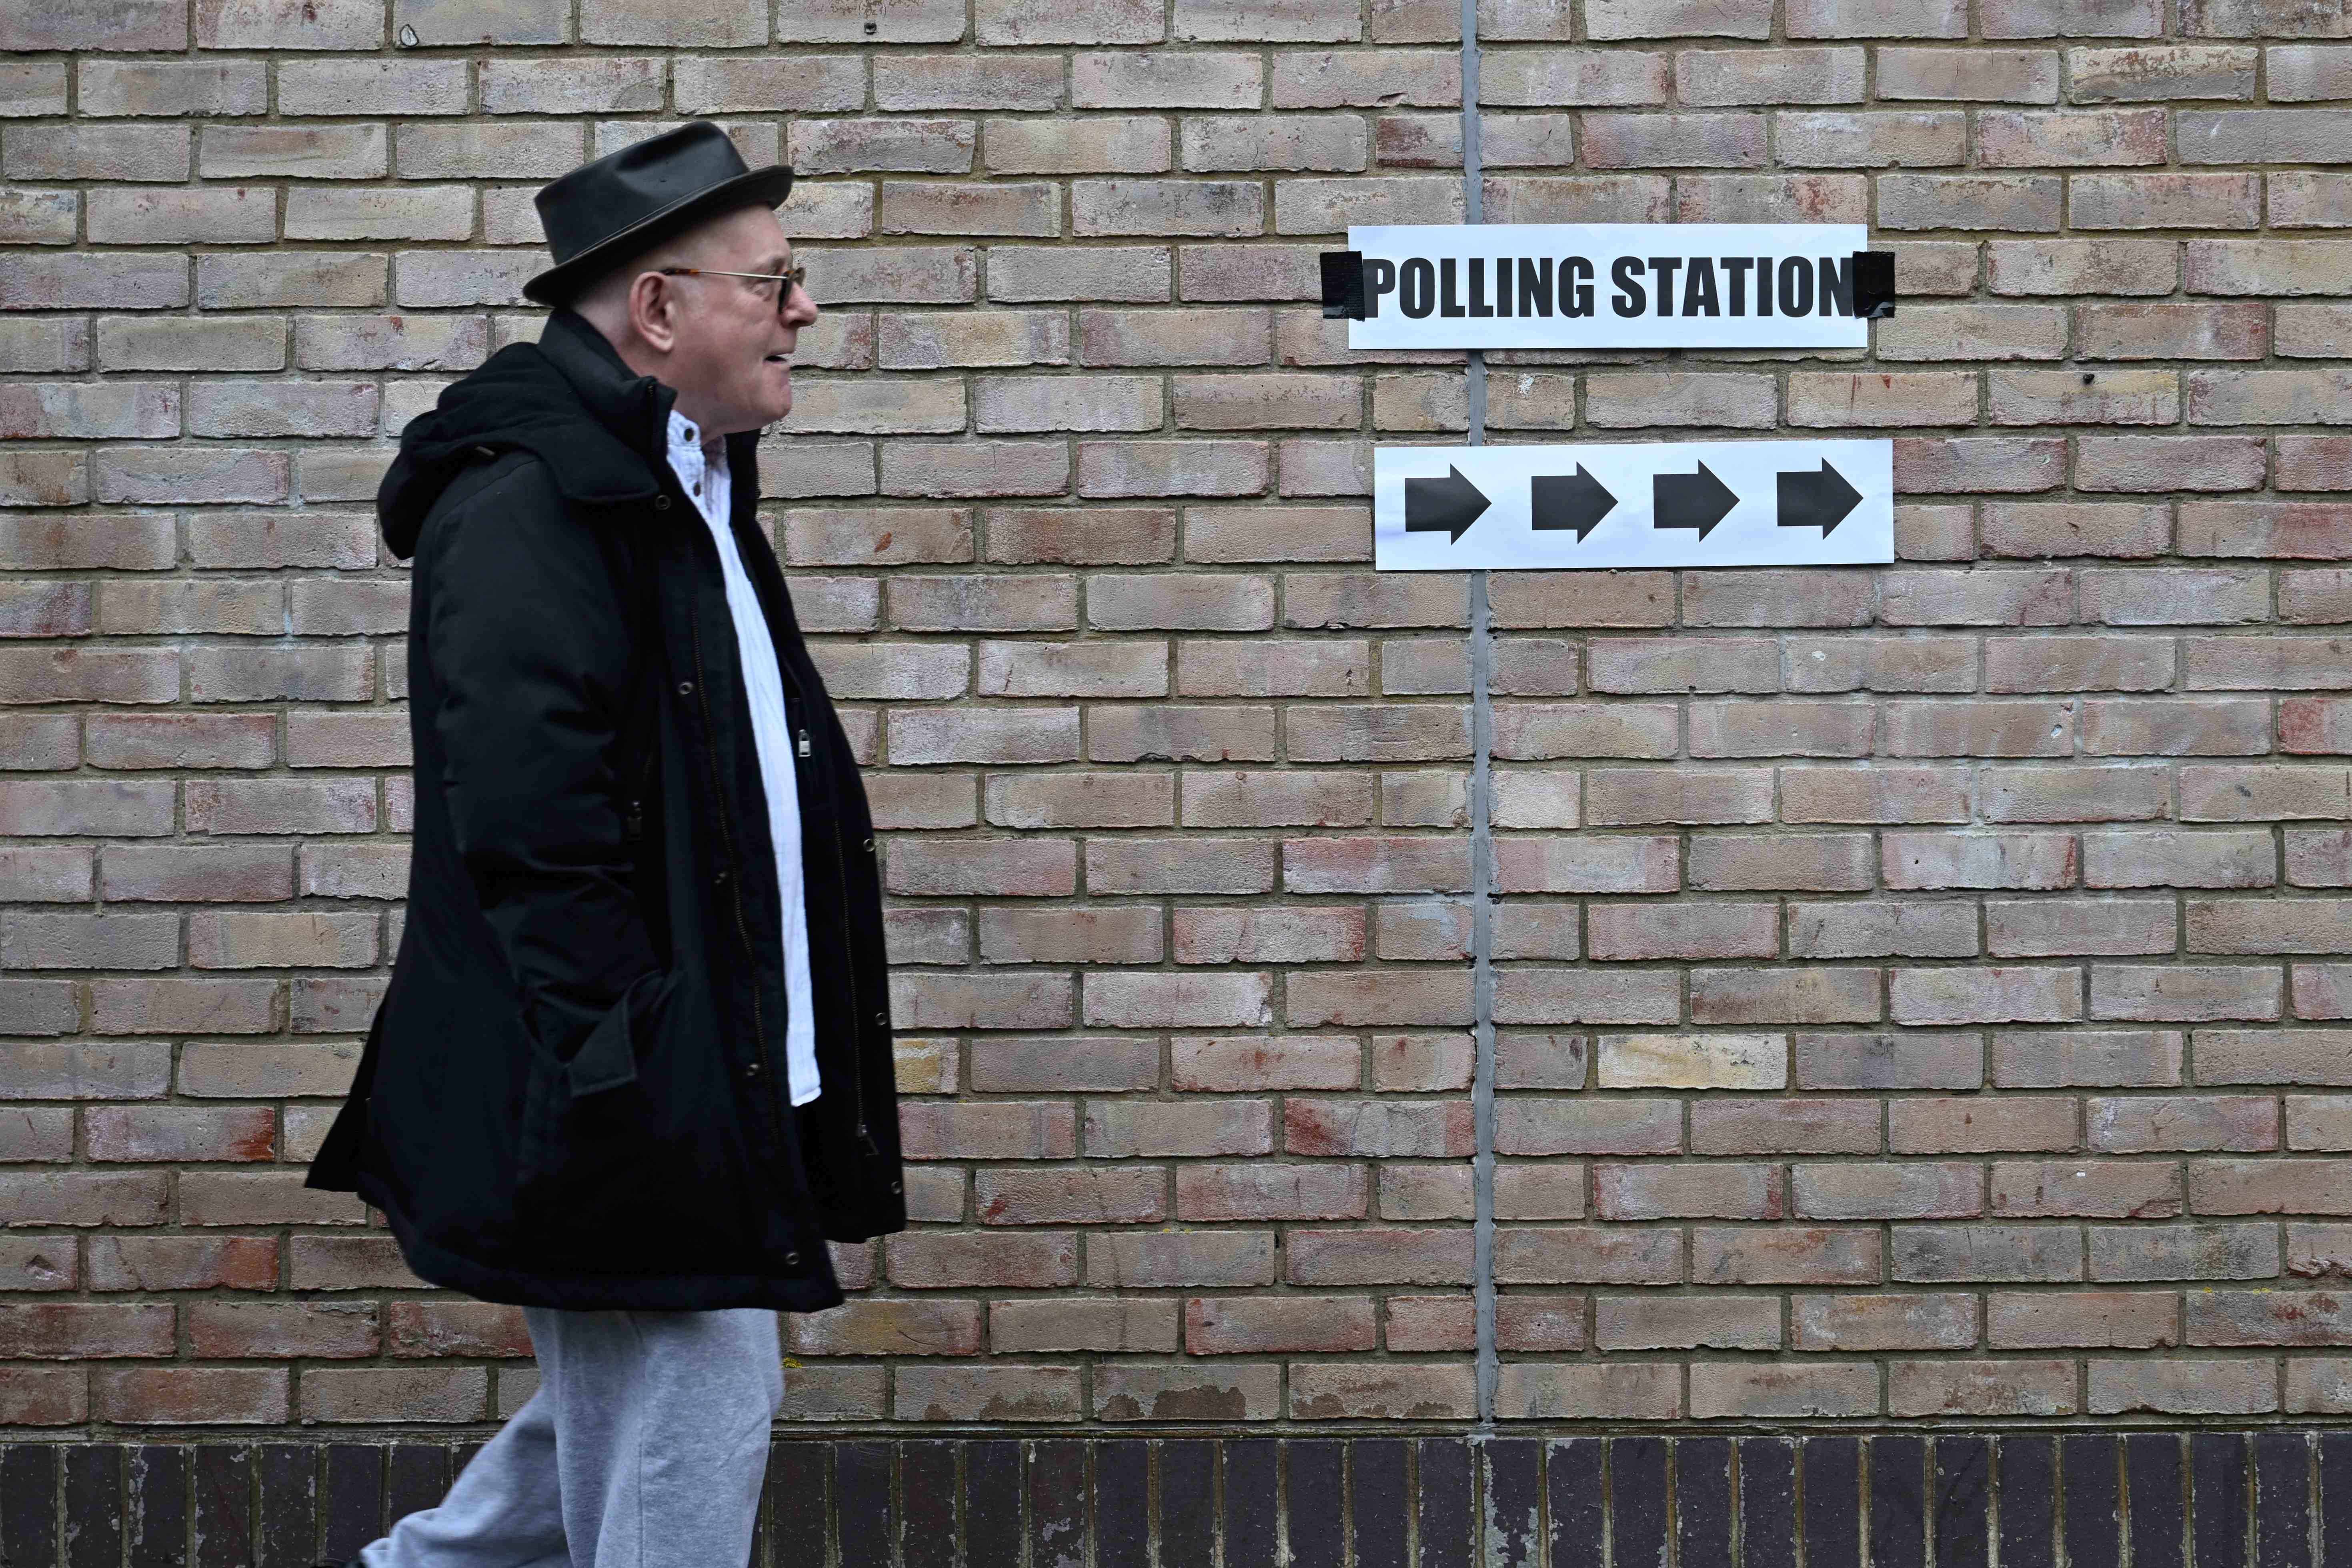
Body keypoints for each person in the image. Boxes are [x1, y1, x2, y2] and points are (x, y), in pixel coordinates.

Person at [303, 121, 907, 1568]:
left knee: (628, 1397)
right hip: (634, 1077)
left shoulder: (685, 481)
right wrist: (629, 1062)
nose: (805, 310)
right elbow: (530, 825)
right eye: (774, 282)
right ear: (658, 308)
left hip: (701, 1057)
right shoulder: (535, 498)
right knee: (697, 1394)